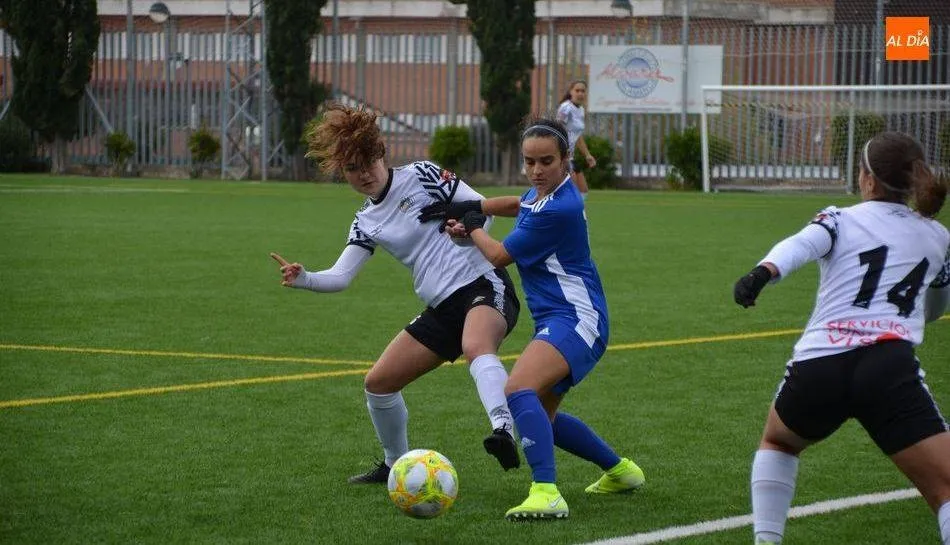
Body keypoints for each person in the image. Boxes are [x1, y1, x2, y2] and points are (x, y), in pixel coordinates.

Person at [269, 103, 522, 484]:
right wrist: (304, 277)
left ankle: (504, 429)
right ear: (343, 172)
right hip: (442, 306)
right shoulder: (365, 221)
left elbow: (482, 210)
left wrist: (460, 222)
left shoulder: (423, 174)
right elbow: (340, 276)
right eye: (352, 169)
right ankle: (394, 464)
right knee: (379, 383)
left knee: (476, 346)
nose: (364, 175)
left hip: (483, 283)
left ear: (381, 153)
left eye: (368, 162)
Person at [418, 117, 645, 521]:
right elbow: (517, 203)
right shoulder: (545, 194)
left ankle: (546, 492)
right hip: (563, 317)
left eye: (546, 162)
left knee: (517, 389)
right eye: (529, 162)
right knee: (541, 416)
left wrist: (471, 227)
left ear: (566, 160)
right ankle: (621, 471)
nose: (537, 171)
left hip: (577, 318)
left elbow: (500, 255)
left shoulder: (562, 206)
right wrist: (474, 207)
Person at [732, 131, 950, 544]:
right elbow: (937, 307)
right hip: (888, 367)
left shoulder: (840, 218)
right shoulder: (938, 237)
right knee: (945, 491)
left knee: (778, 443)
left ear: (867, 180)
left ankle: (766, 540)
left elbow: (801, 245)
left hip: (820, 364)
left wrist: (761, 274)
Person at [556, 80, 597, 200]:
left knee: (583, 191)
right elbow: (556, 130)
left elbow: (577, 136)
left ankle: (577, 217)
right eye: (577, 90)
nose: (580, 93)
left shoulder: (581, 110)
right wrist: (561, 153)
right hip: (563, 155)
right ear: (571, 92)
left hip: (571, 156)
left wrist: (588, 155)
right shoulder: (565, 108)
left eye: (583, 91)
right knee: (571, 192)